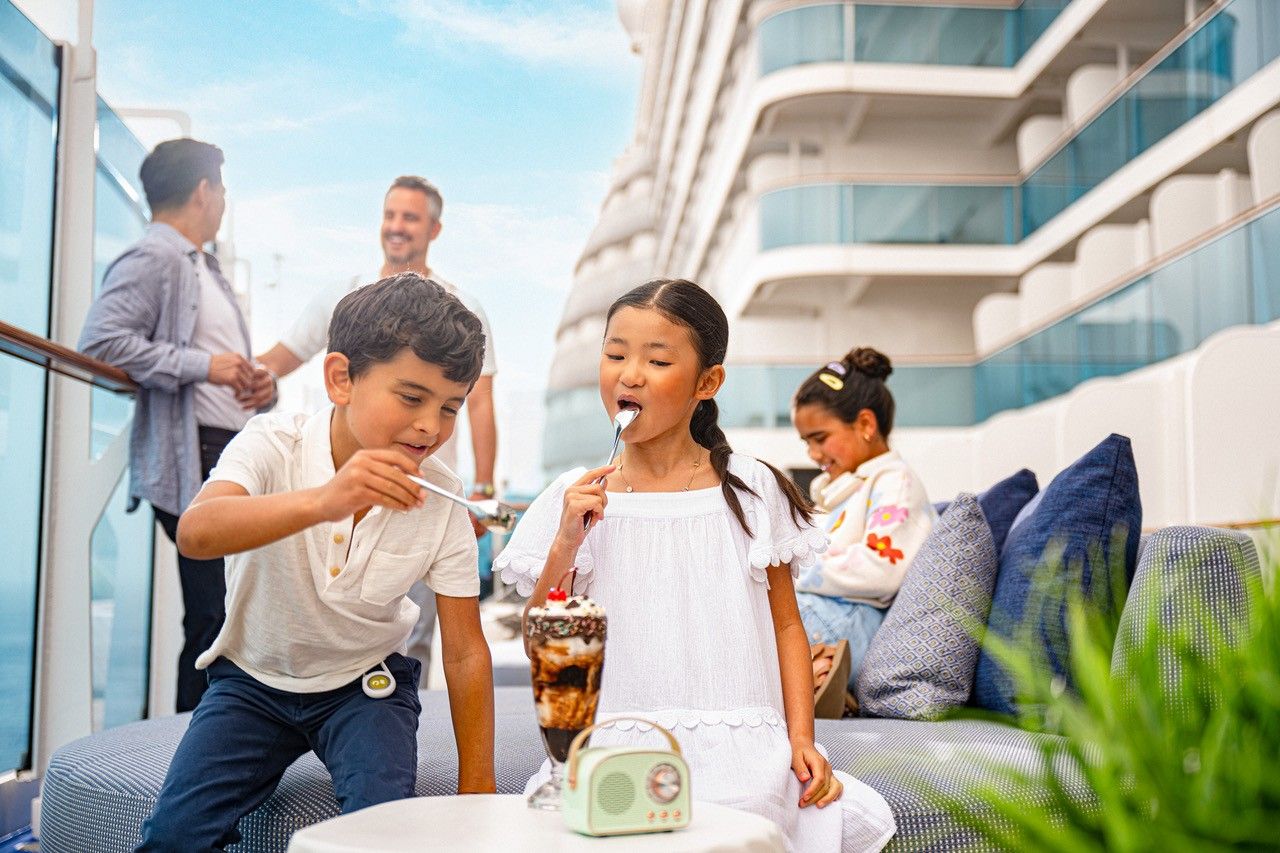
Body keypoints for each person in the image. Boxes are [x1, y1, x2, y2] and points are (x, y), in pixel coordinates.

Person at [496, 280, 896, 852]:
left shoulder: (752, 488)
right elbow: (543, 642)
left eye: (657, 360)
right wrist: (563, 545)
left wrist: (802, 739)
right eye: (614, 355)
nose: (628, 374)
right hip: (612, 745)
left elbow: (787, 624)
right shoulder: (572, 497)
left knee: (749, 823)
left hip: (741, 746)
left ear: (707, 383)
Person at [136, 273, 496, 852]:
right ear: (340, 379)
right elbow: (197, 534)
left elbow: (464, 647)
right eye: (411, 397)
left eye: (450, 407)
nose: (431, 425)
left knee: (379, 838)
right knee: (174, 838)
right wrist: (326, 501)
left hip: (364, 686)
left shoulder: (442, 497)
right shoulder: (271, 443)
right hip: (250, 682)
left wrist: (477, 785)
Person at [256, 175, 498, 675]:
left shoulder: (465, 311)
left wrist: (483, 489)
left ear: (434, 228)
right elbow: (281, 359)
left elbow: (480, 404)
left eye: (409, 217)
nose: (396, 227)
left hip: (424, 494)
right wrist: (218, 374)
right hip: (339, 487)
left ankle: (402, 729)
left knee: (419, 639)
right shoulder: (345, 296)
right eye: (389, 215)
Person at [79, 138, 275, 712]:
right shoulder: (157, 257)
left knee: (229, 611)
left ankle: (217, 740)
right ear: (203, 191)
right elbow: (102, 341)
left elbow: (219, 363)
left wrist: (260, 386)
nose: (223, 202)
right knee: (214, 616)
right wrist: (203, 366)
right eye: (222, 189)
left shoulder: (201, 265)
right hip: (196, 459)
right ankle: (192, 748)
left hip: (229, 450)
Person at [791, 349, 936, 714]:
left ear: (866, 425)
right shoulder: (849, 489)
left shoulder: (895, 483)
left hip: (861, 628)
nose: (812, 453)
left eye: (820, 438)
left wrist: (789, 569)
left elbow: (880, 568)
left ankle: (821, 676)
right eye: (806, 441)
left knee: (764, 614)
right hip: (838, 618)